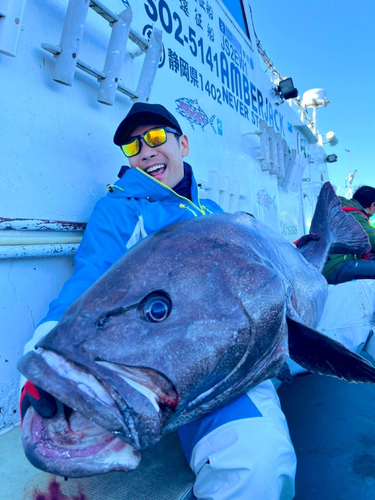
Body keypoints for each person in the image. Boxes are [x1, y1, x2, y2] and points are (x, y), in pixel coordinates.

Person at [20, 102, 296, 499]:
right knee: (253, 462)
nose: (145, 150)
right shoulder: (119, 210)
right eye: (133, 147)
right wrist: (46, 350)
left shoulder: (215, 212)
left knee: (262, 460)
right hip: (160, 368)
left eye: (153, 137)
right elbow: (89, 276)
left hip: (233, 358)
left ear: (182, 144)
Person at [323, 186, 375, 285]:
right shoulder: (353, 216)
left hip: (333, 263)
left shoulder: (345, 210)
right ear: (373, 205)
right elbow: (371, 238)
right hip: (335, 267)